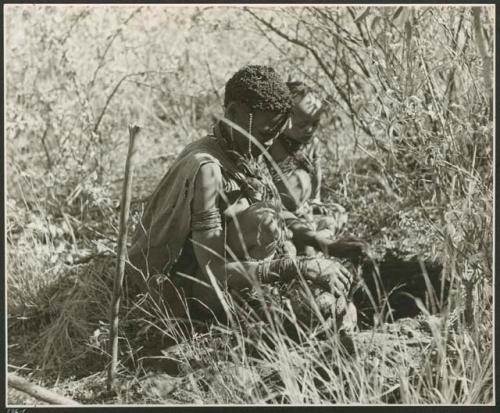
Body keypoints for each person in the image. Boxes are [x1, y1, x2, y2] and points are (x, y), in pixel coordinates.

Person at [126, 66, 363, 334]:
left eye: (276, 134)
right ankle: (244, 318)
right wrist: (297, 268)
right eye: (264, 134)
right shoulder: (207, 168)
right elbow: (214, 270)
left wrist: (318, 241)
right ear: (233, 113)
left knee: (319, 285)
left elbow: (272, 209)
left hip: (231, 272)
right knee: (266, 226)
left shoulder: (244, 145)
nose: (268, 144)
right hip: (189, 292)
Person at [267, 81, 348, 254]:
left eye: (315, 123)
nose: (309, 130)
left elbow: (315, 173)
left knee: (339, 212)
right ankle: (313, 250)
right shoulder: (272, 145)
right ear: (284, 119)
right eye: (301, 125)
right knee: (301, 244)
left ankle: (322, 243)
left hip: (304, 207)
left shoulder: (312, 144)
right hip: (281, 213)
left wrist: (315, 200)